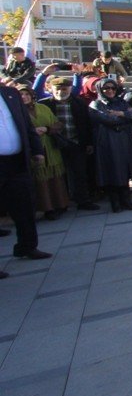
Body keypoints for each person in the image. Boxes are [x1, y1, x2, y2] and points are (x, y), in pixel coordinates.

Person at [0, 82, 49, 259]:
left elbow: (26, 125)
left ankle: (27, 246)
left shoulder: (11, 94)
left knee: (25, 206)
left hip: (17, 161)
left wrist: (37, 150)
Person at [38, 75, 100, 211]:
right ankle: (61, 203)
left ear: (70, 89)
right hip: (54, 145)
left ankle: (83, 200)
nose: (61, 92)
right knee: (59, 175)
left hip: (76, 142)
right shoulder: (44, 104)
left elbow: (86, 124)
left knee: (80, 173)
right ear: (51, 89)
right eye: (58, 89)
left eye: (64, 89)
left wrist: (88, 143)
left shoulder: (79, 103)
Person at [89, 78, 132, 212]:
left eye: (113, 88)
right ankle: (115, 201)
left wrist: (121, 113)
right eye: (106, 88)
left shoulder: (121, 102)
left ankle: (126, 200)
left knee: (125, 167)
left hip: (124, 140)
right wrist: (125, 118)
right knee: (112, 169)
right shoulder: (96, 104)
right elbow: (108, 119)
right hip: (107, 141)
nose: (110, 91)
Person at [18, 86, 70, 220]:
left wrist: (47, 128)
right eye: (21, 94)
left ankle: (61, 204)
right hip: (32, 148)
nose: (24, 97)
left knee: (56, 177)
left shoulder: (43, 108)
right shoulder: (16, 111)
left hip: (50, 147)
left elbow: (58, 124)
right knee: (40, 180)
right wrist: (32, 132)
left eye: (27, 94)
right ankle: (48, 208)